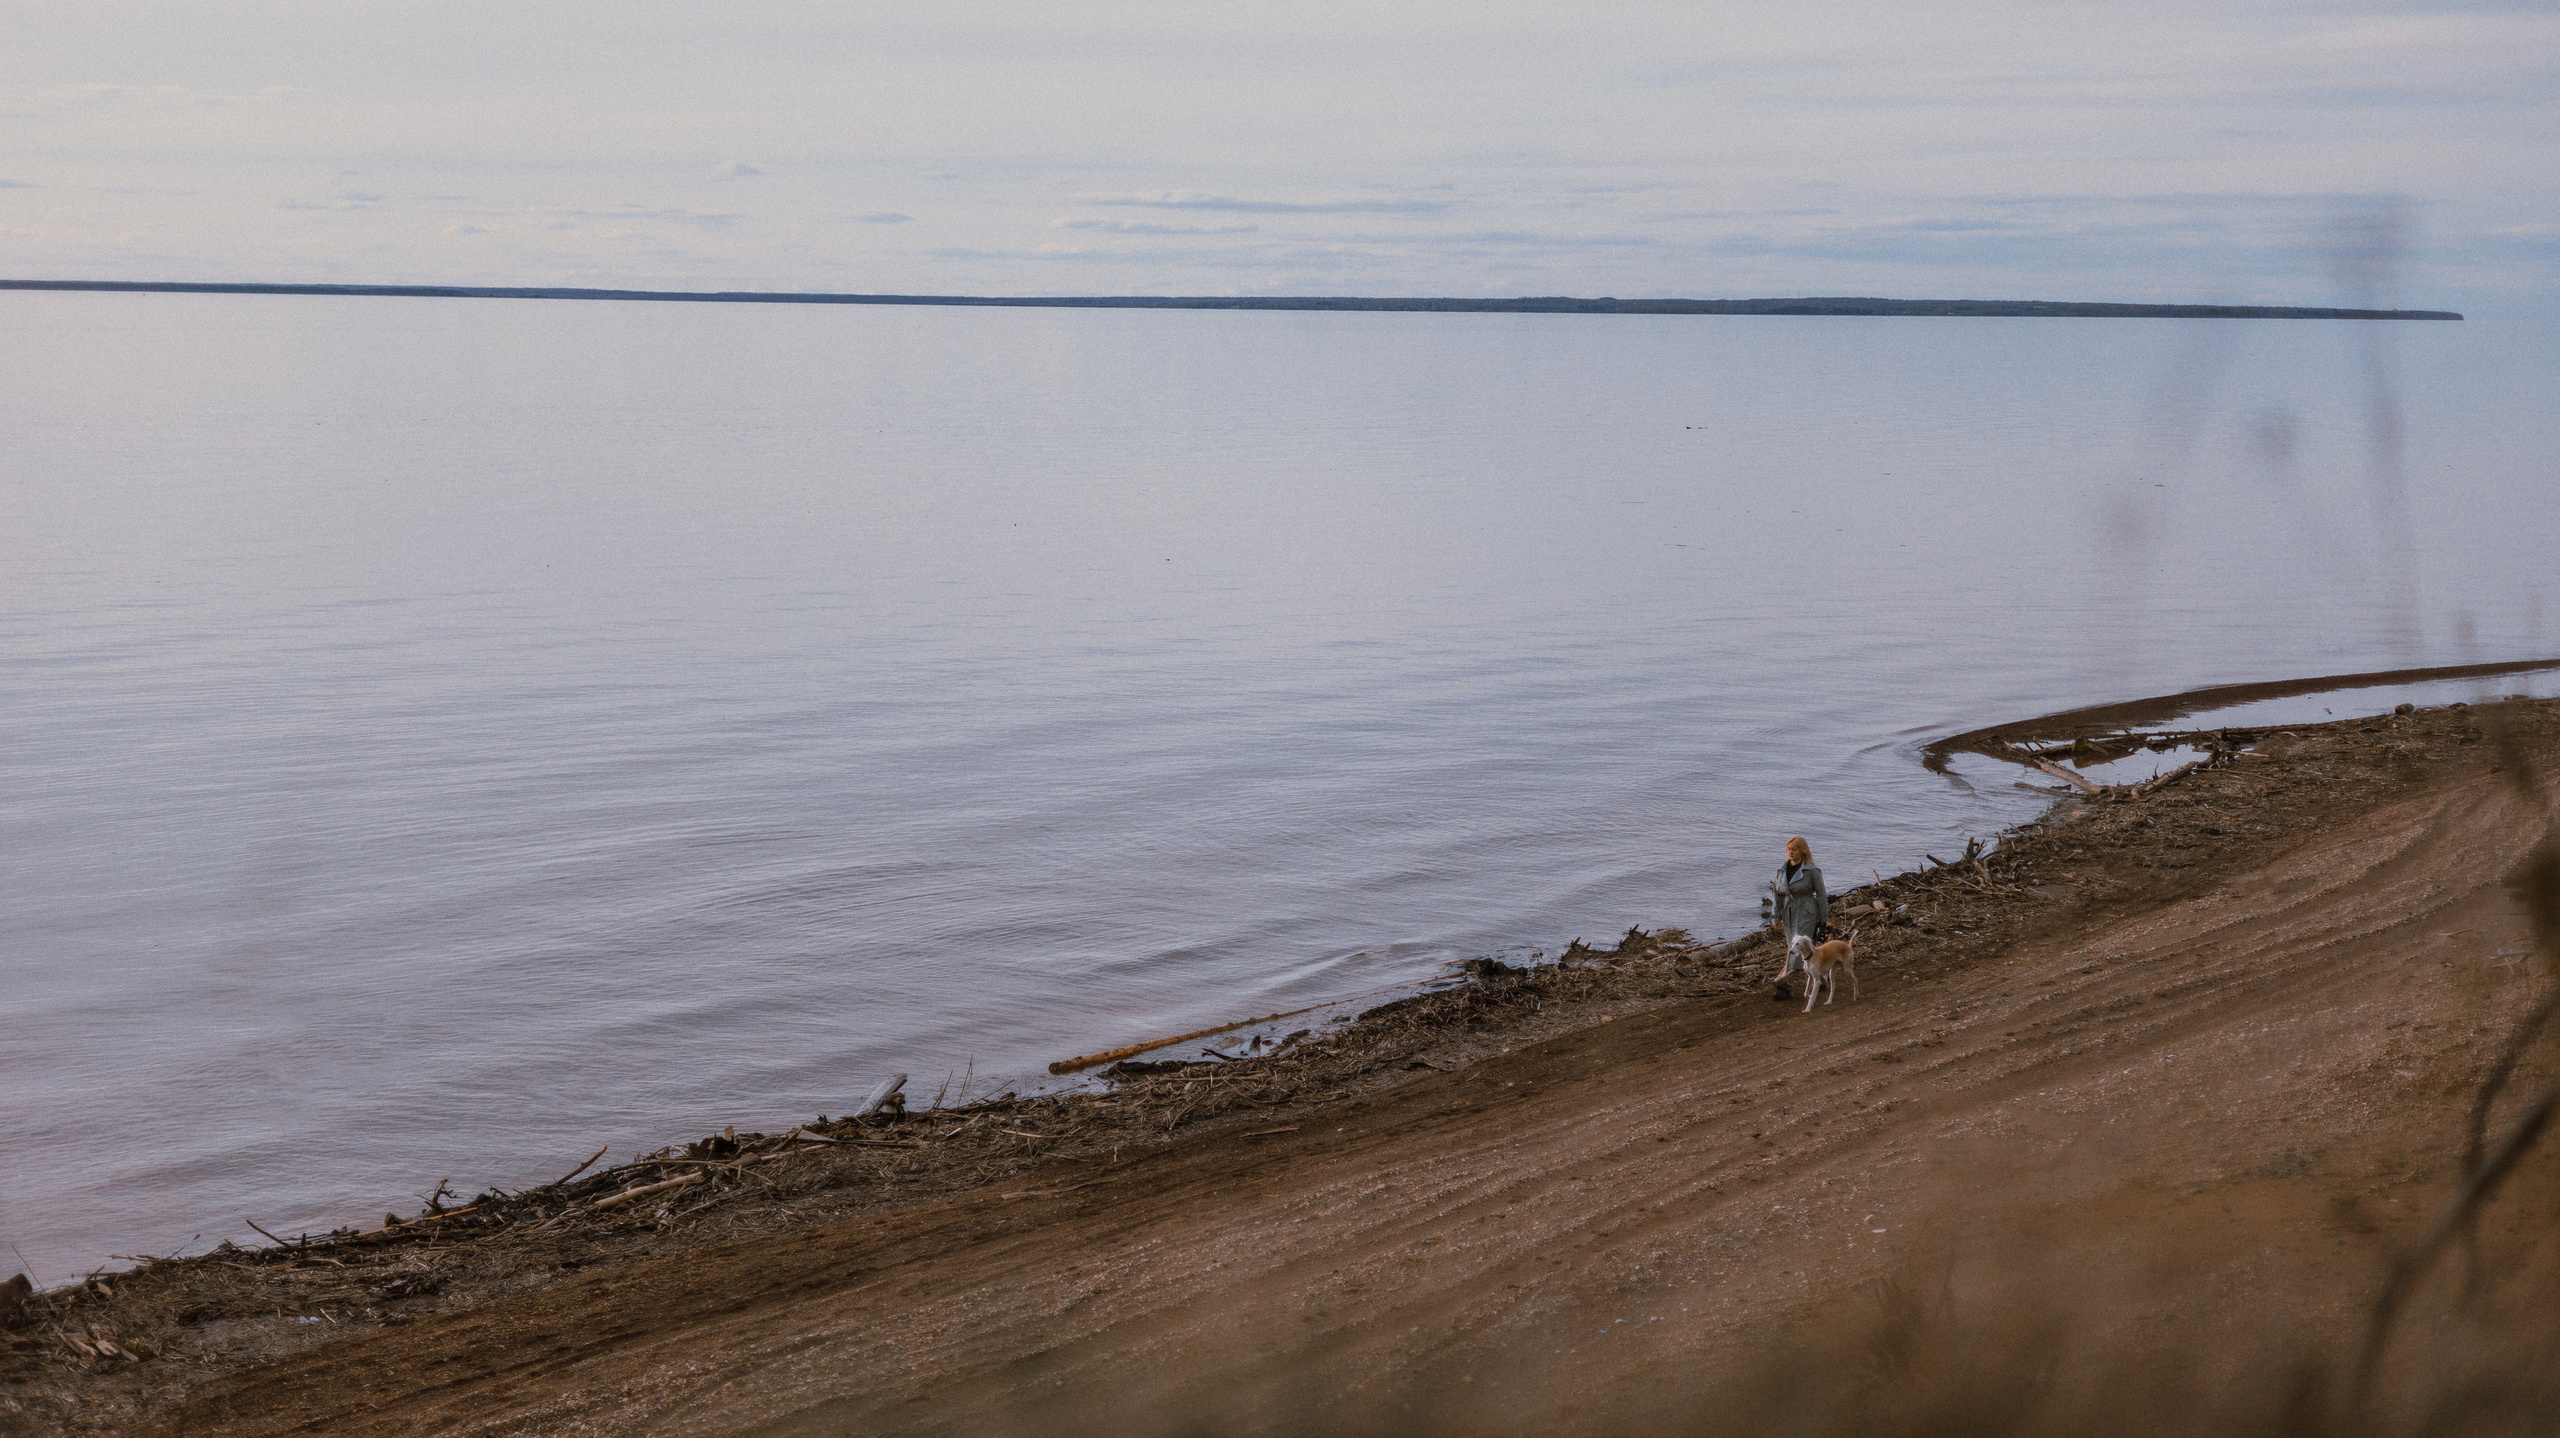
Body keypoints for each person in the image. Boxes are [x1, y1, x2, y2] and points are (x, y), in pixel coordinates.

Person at [1769, 835, 1829, 1001]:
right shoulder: (1782, 870)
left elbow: (1822, 895)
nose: (1791, 852)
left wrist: (1823, 917)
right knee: (1793, 947)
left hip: (1806, 913)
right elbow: (1778, 895)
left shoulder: (1812, 871)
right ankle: (1822, 978)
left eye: (1794, 849)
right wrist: (1775, 917)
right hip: (1788, 913)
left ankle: (1782, 983)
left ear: (1802, 851)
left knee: (1797, 949)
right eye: (1788, 849)